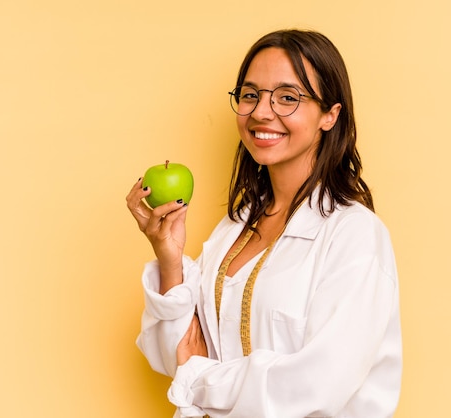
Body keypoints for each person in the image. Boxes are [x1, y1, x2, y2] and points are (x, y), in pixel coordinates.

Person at [126, 29, 402, 418]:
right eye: (251, 94)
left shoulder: (354, 235)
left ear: (330, 114)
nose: (260, 112)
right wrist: (170, 259)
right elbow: (173, 359)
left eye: (288, 97)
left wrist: (202, 378)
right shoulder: (233, 229)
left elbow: (317, 385)